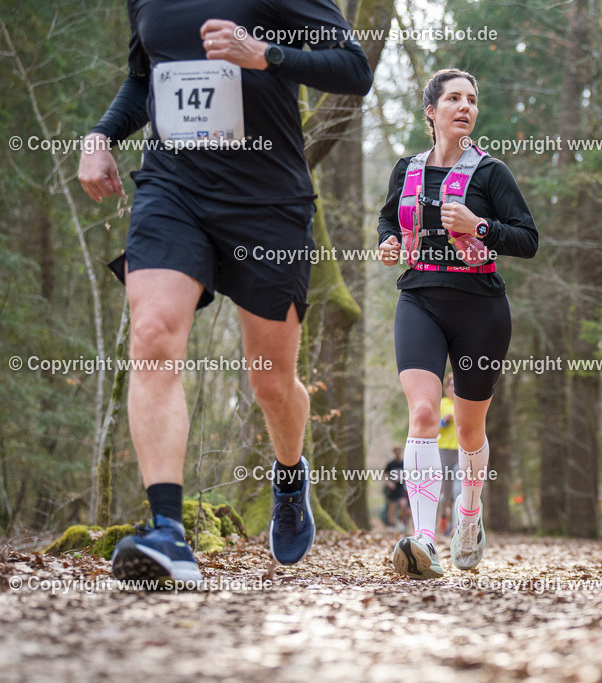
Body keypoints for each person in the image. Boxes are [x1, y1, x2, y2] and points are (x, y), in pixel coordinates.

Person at [77, 0, 372, 585]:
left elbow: (354, 69)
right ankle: (167, 531)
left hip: (268, 201)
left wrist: (267, 55)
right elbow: (145, 77)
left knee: (271, 382)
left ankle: (289, 474)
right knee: (152, 332)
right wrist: (101, 134)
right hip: (172, 189)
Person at [378, 68, 537, 579]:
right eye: (453, 98)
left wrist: (480, 225)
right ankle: (424, 539)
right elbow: (388, 219)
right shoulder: (406, 169)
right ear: (431, 111)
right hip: (419, 299)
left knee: (469, 429)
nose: (465, 106)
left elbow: (528, 239)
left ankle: (469, 515)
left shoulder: (492, 173)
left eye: (472, 99)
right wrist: (387, 242)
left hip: (480, 308)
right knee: (424, 412)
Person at [437, 374, 460, 536]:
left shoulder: (464, 403)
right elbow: (431, 426)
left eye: (456, 385)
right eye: (451, 385)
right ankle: (443, 516)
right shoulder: (441, 404)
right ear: (446, 388)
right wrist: (443, 422)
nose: (454, 388)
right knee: (446, 494)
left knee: (458, 490)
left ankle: (456, 526)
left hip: (460, 450)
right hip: (444, 451)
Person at [382, 447, 409, 531]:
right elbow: (385, 475)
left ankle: (401, 521)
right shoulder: (391, 463)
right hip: (393, 488)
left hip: (401, 487)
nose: (398, 452)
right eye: (396, 451)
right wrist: (389, 483)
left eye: (399, 450)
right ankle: (391, 524)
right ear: (394, 452)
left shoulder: (403, 463)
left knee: (403, 504)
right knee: (392, 506)